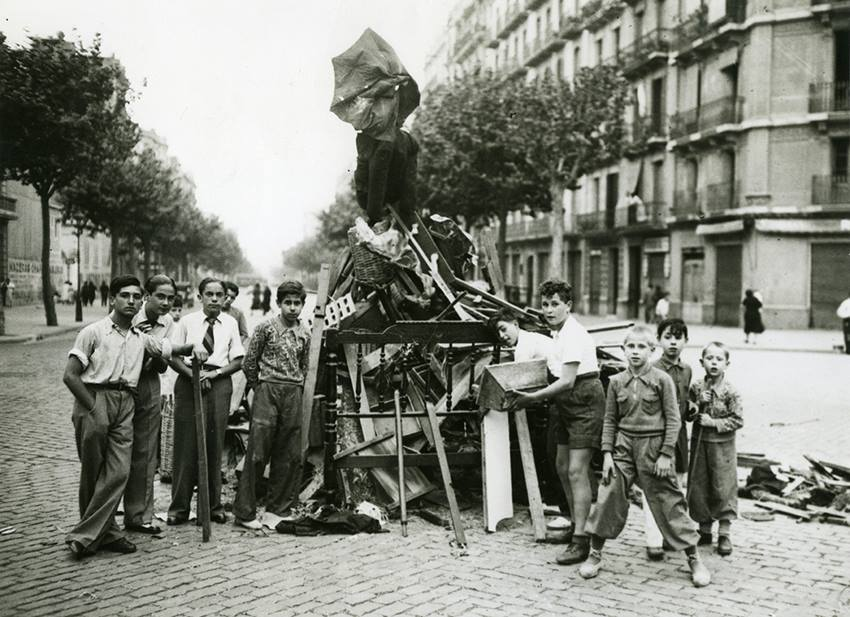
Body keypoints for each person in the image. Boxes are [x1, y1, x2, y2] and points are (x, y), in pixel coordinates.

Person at [61, 275, 205, 559]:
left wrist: (193, 347)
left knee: (119, 471)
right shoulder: (93, 332)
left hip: (125, 402)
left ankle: (88, 535)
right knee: (94, 470)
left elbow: (171, 350)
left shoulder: (141, 338)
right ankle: (105, 532)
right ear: (112, 299)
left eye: (135, 296)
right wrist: (93, 407)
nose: (131, 301)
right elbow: (70, 375)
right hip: (94, 398)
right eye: (125, 295)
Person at [579, 325, 710, 587]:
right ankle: (595, 554)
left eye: (642, 347)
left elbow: (674, 420)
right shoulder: (616, 382)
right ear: (624, 350)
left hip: (654, 448)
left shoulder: (662, 379)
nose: (636, 352)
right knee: (608, 497)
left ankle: (694, 558)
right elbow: (610, 421)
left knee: (669, 502)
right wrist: (607, 455)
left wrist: (665, 455)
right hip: (623, 449)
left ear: (652, 350)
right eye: (631, 347)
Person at [506, 280, 605, 565]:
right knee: (561, 466)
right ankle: (577, 525)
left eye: (555, 304)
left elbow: (567, 381)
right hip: (566, 403)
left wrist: (530, 398)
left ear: (568, 305)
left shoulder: (573, 333)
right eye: (545, 304)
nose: (548, 310)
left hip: (585, 400)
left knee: (577, 471)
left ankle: (582, 541)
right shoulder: (557, 333)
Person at [167, 277, 245, 526]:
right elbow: (173, 356)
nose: (214, 299)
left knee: (214, 443)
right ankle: (179, 508)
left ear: (225, 298)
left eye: (218, 295)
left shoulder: (231, 323)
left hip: (218, 382)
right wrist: (194, 376)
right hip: (189, 381)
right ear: (199, 296)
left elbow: (238, 360)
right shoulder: (187, 322)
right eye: (208, 294)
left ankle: (212, 506)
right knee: (185, 443)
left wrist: (215, 374)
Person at [234, 281, 311, 529]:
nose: (292, 308)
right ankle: (245, 512)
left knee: (288, 453)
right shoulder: (265, 328)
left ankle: (277, 509)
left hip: (293, 392)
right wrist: (260, 387)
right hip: (267, 389)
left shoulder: (305, 333)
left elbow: (305, 366)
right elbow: (249, 362)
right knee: (258, 452)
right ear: (278, 304)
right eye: (287, 303)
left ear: (302, 305)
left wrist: (294, 387)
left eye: (297, 303)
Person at [123, 274, 178, 534]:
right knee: (118, 452)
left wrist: (153, 349)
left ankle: (139, 517)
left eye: (171, 298)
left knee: (146, 451)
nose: (166, 303)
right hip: (123, 383)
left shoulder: (168, 322)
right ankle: (107, 518)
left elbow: (162, 363)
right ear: (147, 296)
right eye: (161, 297)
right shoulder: (131, 315)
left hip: (148, 382)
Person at [643, 318, 692, 560]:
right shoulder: (652, 370)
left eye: (678, 337)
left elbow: (685, 404)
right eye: (668, 337)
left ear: (686, 341)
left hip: (680, 437)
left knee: (676, 488)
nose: (673, 342)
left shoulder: (687, 371)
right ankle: (653, 540)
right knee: (654, 489)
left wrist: (692, 407)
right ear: (659, 340)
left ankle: (671, 535)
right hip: (657, 437)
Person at [687, 342, 743, 556]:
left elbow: (738, 419)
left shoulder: (731, 391)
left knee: (723, 486)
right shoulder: (696, 387)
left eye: (719, 359)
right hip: (700, 445)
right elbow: (687, 413)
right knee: (700, 485)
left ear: (726, 364)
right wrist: (696, 404)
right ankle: (704, 530)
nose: (714, 363)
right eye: (710, 358)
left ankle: (725, 534)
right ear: (702, 362)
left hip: (722, 448)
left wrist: (714, 423)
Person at [159, 295, 183, 484]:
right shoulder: (164, 325)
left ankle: (164, 461)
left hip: (169, 381)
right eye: (173, 309)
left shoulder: (178, 327)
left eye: (178, 310)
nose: (175, 313)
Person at [837, 290, 850, 355]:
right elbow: (839, 312)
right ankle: (848, 349)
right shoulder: (846, 302)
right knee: (848, 335)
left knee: (847, 335)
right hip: (848, 320)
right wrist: (846, 316)